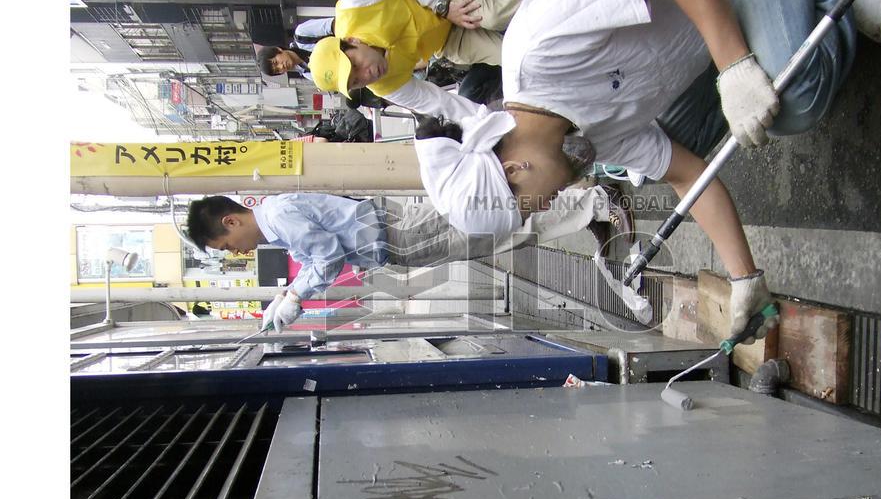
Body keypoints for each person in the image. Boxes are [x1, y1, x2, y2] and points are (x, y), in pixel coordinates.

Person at [417, 0, 881, 342]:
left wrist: (734, 67)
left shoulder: (538, 50)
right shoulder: (586, 142)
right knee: (671, 147)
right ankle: (775, 18)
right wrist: (744, 278)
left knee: (793, 104)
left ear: (513, 171)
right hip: (707, 2)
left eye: (530, 205)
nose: (548, 206)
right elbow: (690, 175)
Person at [186, 189, 628, 332]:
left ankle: (592, 200)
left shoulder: (279, 217)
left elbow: (327, 257)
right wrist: (289, 293)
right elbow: (314, 254)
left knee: (497, 226)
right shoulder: (277, 219)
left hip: (400, 236)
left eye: (227, 246)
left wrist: (297, 294)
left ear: (230, 220)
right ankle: (587, 206)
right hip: (396, 236)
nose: (237, 253)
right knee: (498, 229)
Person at [307, 0, 527, 120]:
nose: (367, 74)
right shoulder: (385, 87)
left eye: (355, 65)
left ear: (352, 41)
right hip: (446, 40)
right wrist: (491, 123)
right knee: (517, 58)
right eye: (356, 81)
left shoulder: (353, 8)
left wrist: (442, 6)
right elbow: (439, 102)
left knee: (493, 16)